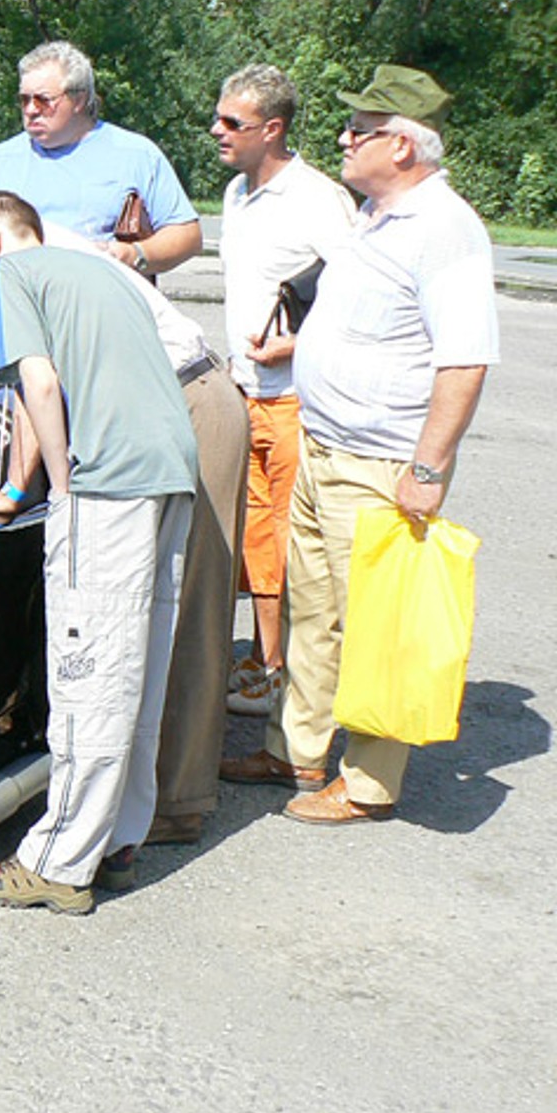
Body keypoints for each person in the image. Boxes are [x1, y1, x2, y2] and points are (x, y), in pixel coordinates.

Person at [222, 65, 498, 826]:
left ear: (403, 145)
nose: (343, 139)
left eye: (361, 129)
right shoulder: (375, 216)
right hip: (325, 447)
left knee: (378, 625)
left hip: (381, 463)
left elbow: (464, 359)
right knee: (315, 614)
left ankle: (370, 783)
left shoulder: (444, 230)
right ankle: (295, 752)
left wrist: (427, 468)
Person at [0, 192, 197, 913]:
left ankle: (59, 862)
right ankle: (119, 835)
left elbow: (40, 382)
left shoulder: (12, 273)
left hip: (108, 484)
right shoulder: (97, 271)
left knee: (88, 674)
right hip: (169, 472)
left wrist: (60, 486)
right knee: (138, 666)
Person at [209, 65, 356, 718]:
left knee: (297, 544)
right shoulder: (237, 196)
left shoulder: (319, 200)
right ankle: (269, 663)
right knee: (256, 541)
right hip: (247, 392)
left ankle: (298, 675)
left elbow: (358, 295)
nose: (217, 131)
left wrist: (293, 346)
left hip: (299, 396)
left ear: (272, 130)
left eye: (231, 123)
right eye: (218, 118)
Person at [0, 40, 201, 278]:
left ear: (79, 100)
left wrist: (133, 254)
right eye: (24, 100)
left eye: (42, 100)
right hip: (17, 305)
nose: (30, 110)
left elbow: (187, 235)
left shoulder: (136, 155)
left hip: (105, 303)